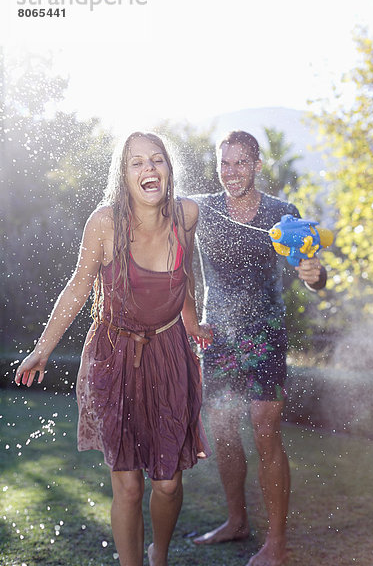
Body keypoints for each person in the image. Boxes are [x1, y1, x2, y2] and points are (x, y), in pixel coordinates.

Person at [14, 131, 213, 566]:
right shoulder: (104, 223)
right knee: (128, 485)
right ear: (123, 176)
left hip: (168, 354)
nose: (149, 169)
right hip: (116, 355)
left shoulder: (187, 216)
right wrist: (42, 349)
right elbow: (77, 287)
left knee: (167, 485)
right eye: (137, 162)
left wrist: (193, 322)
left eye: (156, 160)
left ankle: (158, 552)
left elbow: (186, 278)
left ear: (168, 169)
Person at [191, 130, 327, 566]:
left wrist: (312, 272)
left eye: (241, 163)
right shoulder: (202, 208)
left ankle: (277, 543)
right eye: (225, 164)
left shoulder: (282, 213)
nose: (232, 172)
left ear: (257, 165)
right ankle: (237, 521)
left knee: (265, 429)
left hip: (265, 334)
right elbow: (150, 210)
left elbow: (313, 271)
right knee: (224, 431)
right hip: (217, 336)